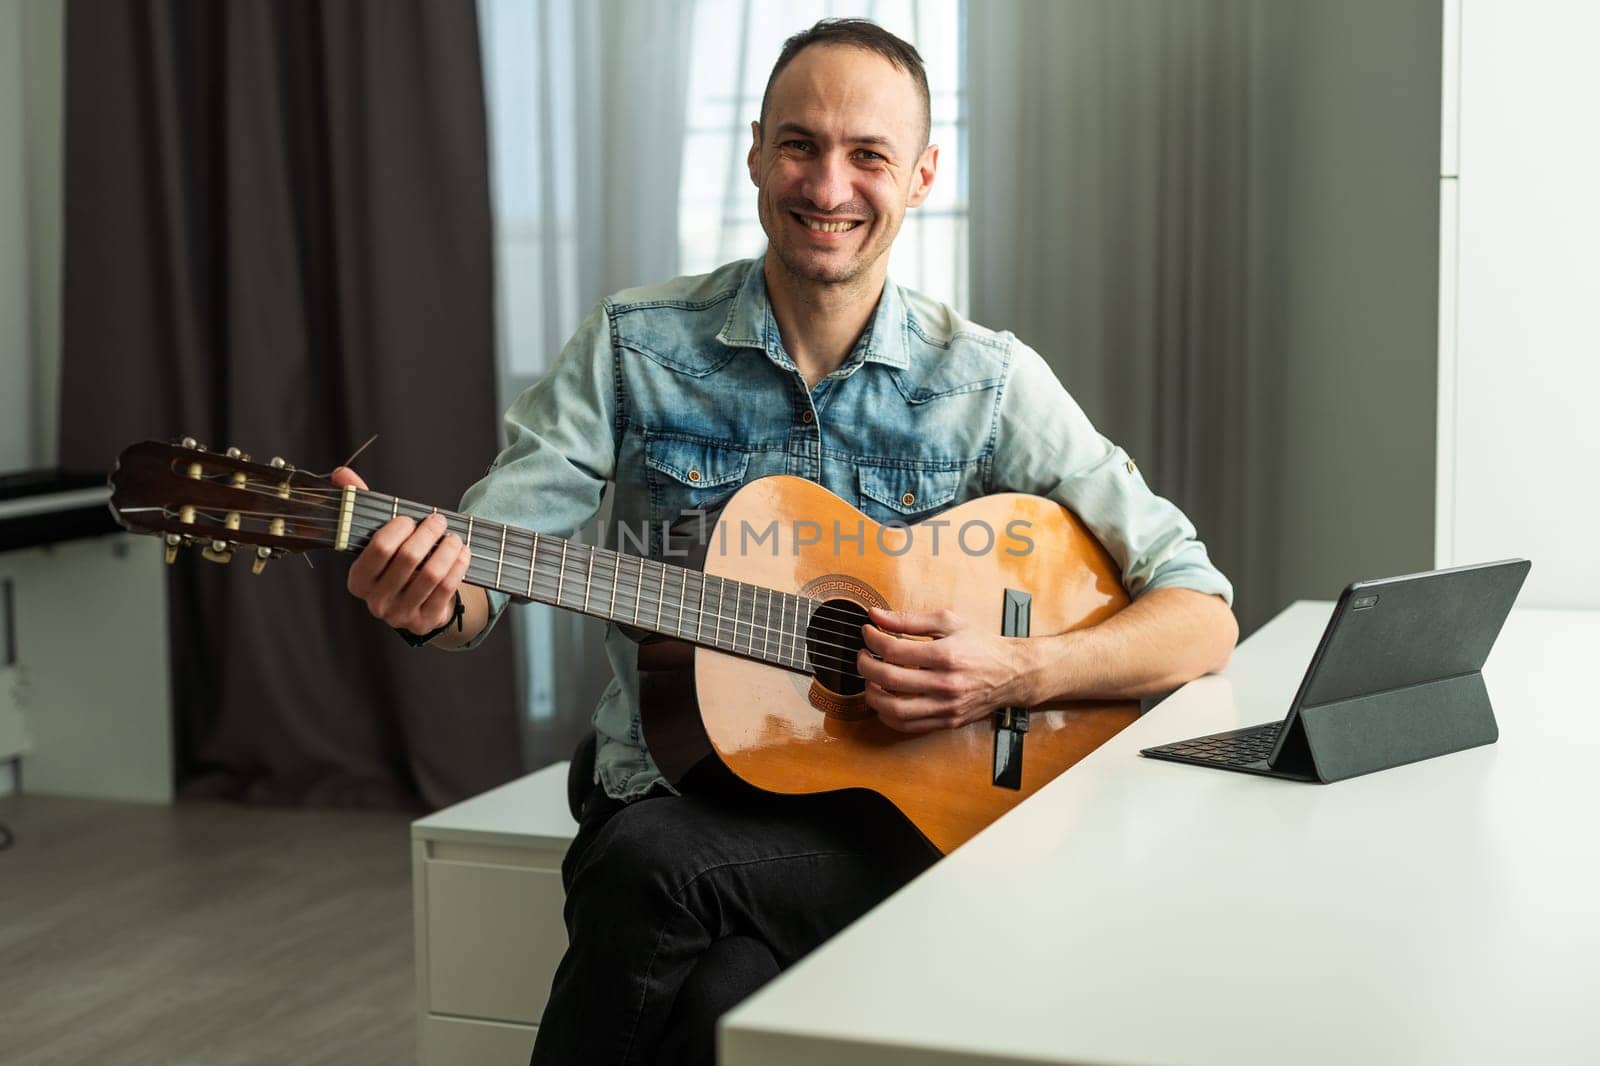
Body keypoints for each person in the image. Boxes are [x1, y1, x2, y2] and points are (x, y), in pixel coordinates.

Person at [337, 18, 1238, 1066]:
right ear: (756, 149)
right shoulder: (637, 345)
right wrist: (439, 598)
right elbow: (498, 548)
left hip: (907, 819)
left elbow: (1201, 611)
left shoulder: (985, 383)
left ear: (920, 174)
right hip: (677, 784)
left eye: (868, 156)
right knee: (711, 971)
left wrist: (1014, 670)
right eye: (801, 144)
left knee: (654, 880)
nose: (828, 185)